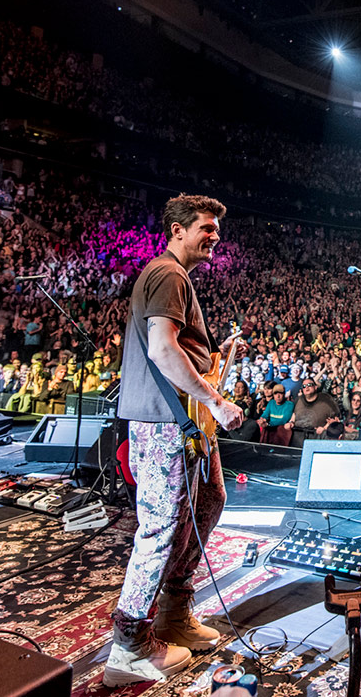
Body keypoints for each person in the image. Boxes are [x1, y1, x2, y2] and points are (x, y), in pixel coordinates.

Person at [106, 194, 244, 687]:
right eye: (206, 227)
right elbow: (163, 349)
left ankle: (173, 612)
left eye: (216, 229)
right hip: (166, 423)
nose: (214, 235)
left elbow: (177, 347)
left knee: (209, 499)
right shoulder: (167, 275)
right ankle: (128, 646)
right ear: (177, 229)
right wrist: (217, 401)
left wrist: (215, 355)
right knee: (161, 526)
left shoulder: (175, 277)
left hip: (182, 422)